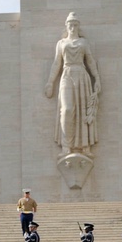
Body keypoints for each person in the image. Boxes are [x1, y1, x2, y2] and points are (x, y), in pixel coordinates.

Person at [44, 12, 101, 156]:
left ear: (78, 26)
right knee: (67, 110)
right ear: (66, 25)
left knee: (83, 111)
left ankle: (85, 146)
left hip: (82, 75)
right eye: (70, 24)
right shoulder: (61, 43)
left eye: (75, 24)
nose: (73, 27)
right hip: (67, 74)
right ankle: (66, 146)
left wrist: (97, 78)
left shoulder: (83, 43)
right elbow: (57, 63)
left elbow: (90, 61)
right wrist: (50, 82)